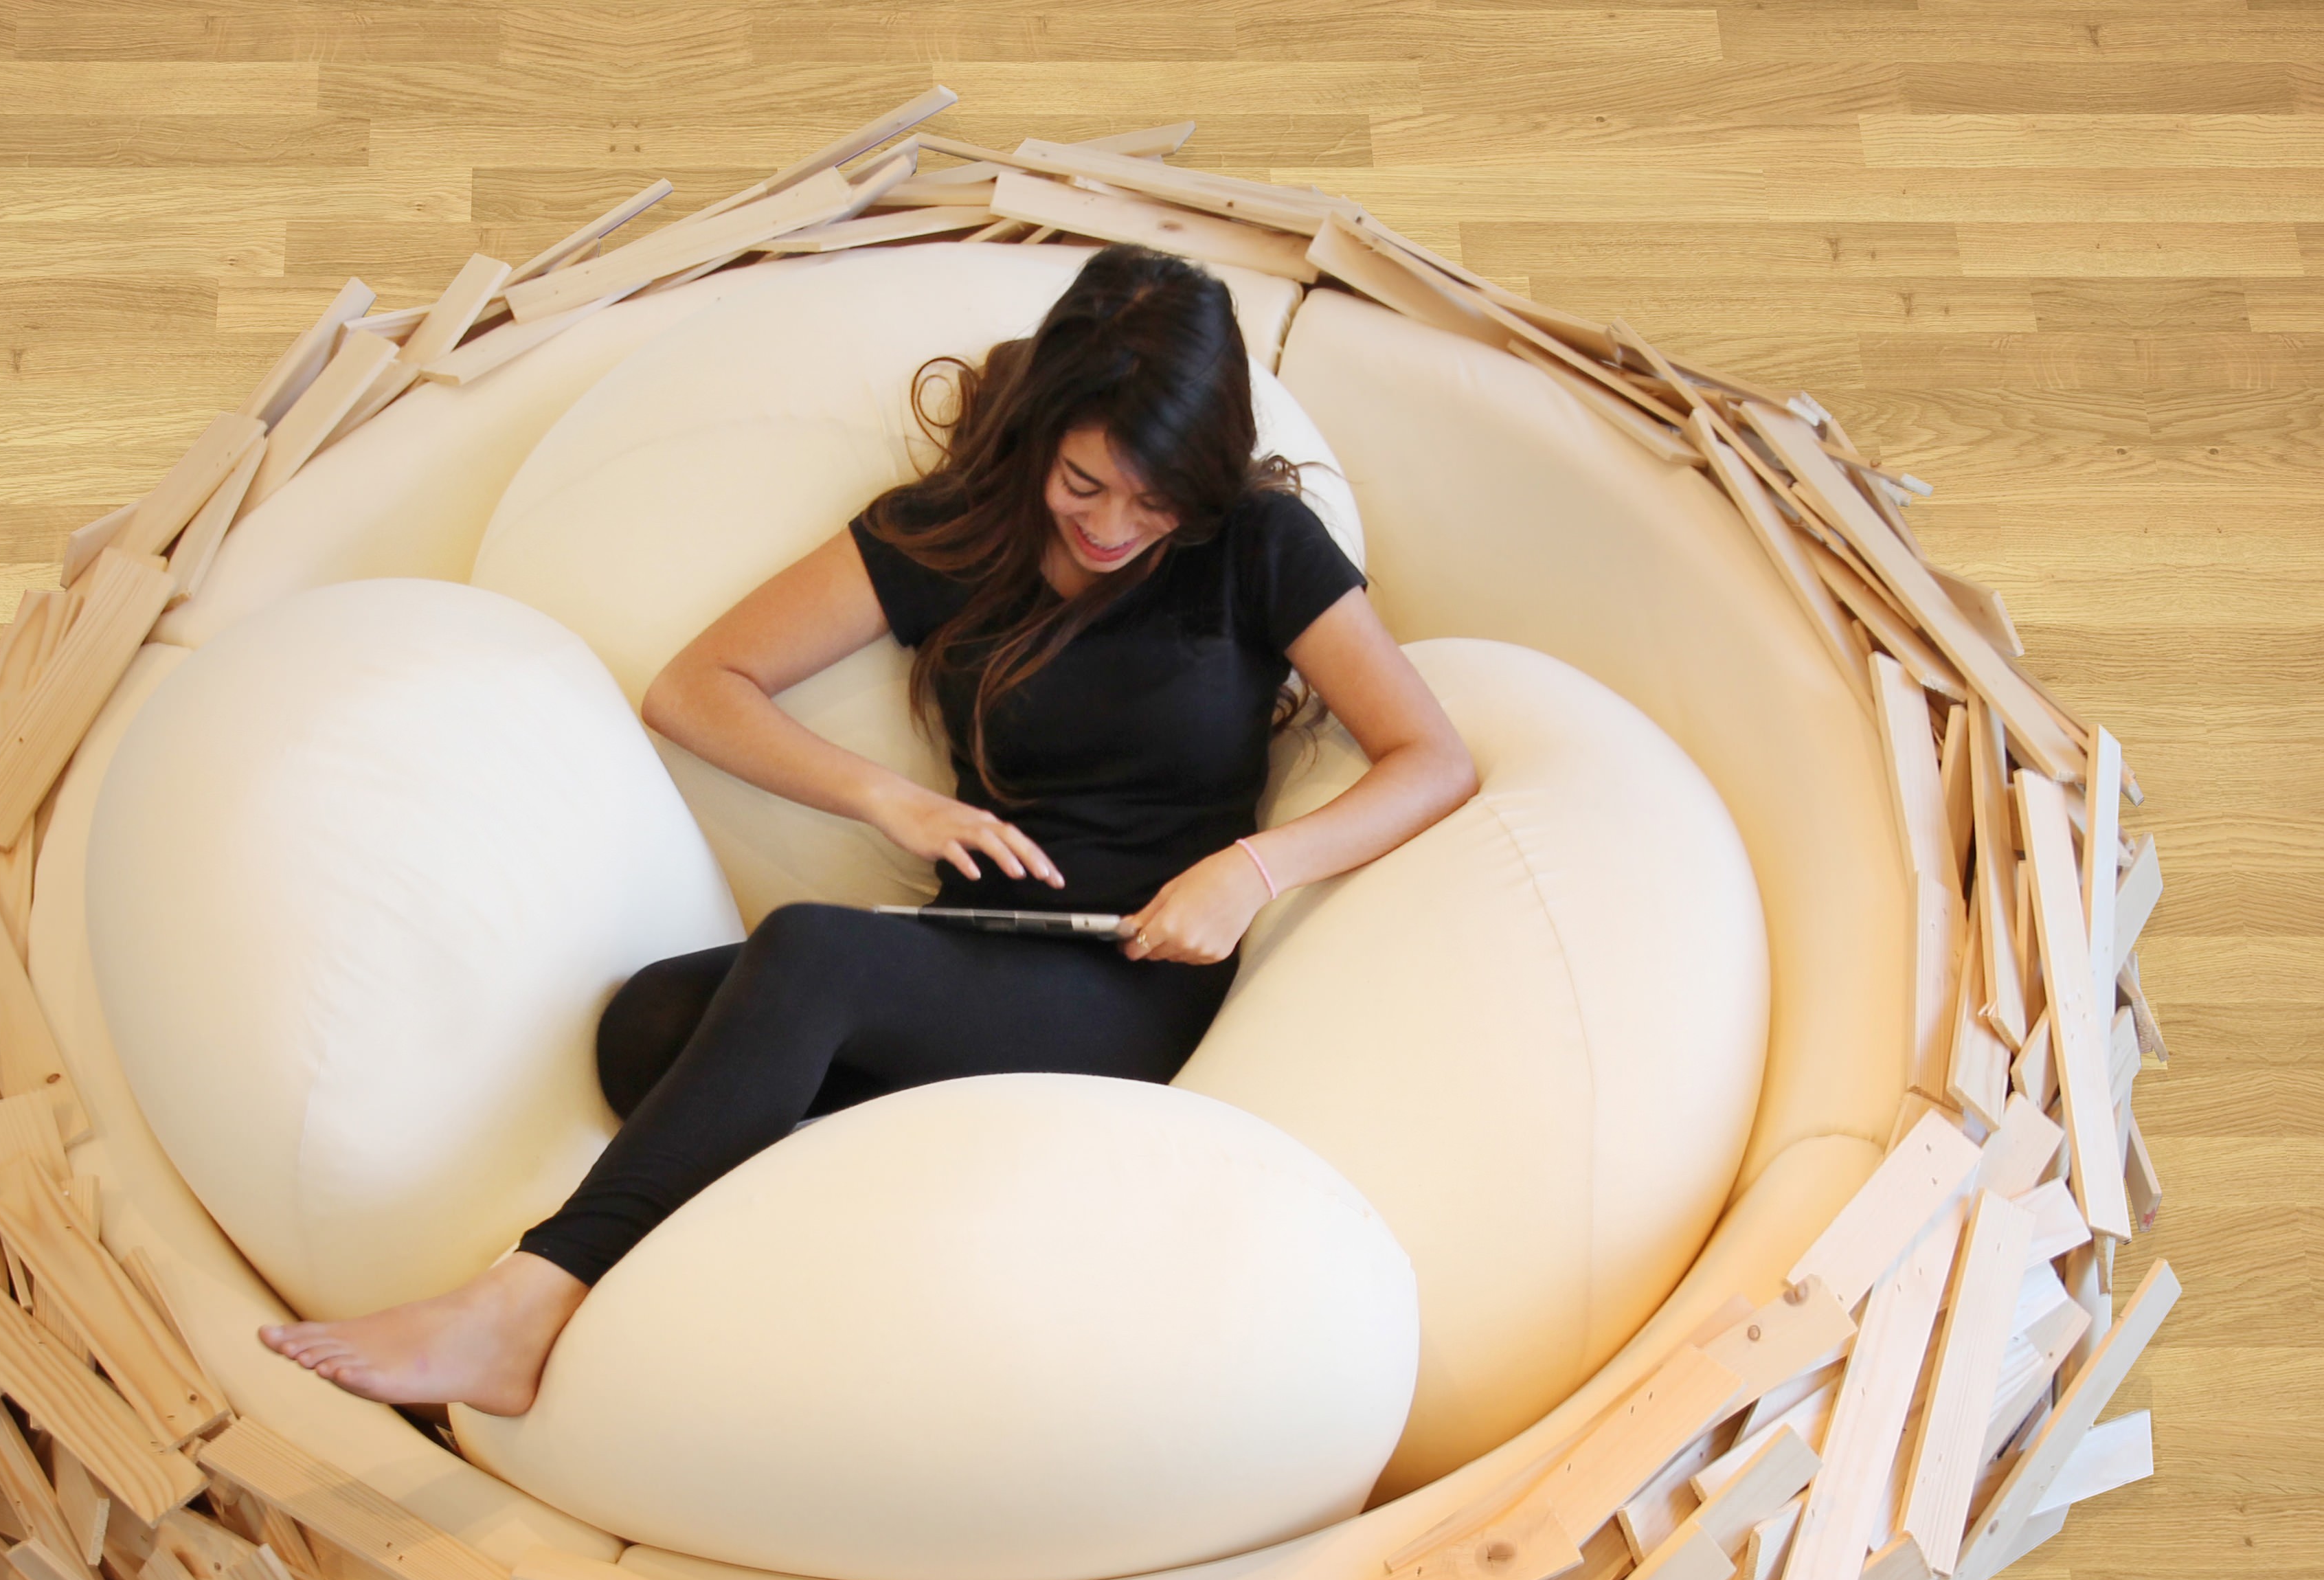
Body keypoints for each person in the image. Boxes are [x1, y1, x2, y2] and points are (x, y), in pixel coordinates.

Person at [263, 241, 1480, 1417]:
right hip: (983, 944)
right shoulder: (959, 529)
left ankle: (521, 1307)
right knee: (645, 1028)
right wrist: (889, 797)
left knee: (809, 955)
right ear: (1043, 434)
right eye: (1084, 484)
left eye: (1156, 500)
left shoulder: (1256, 547)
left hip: (1138, 970)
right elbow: (696, 688)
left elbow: (1432, 758)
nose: (1113, 526)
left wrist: (1250, 871)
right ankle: (829, 1208)